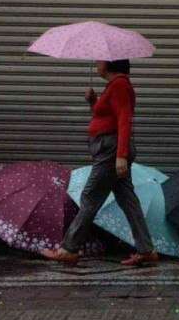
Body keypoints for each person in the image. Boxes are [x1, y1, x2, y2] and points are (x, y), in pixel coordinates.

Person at [41, 59, 158, 266]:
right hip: (110, 149)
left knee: (90, 195)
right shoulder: (114, 86)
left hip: (111, 151)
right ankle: (146, 249)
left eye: (100, 61)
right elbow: (108, 116)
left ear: (111, 64)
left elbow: (124, 119)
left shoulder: (120, 85)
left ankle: (69, 248)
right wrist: (93, 101)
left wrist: (120, 155)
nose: (97, 63)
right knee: (127, 198)